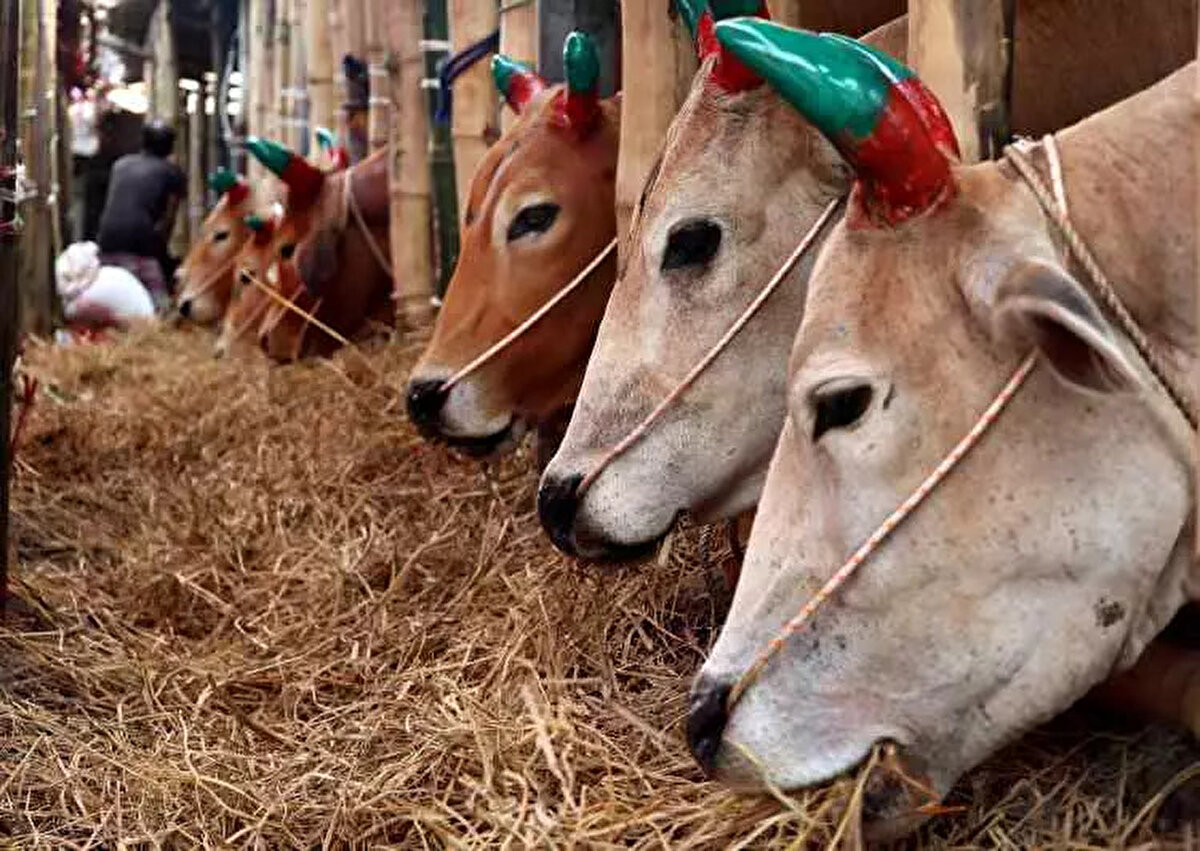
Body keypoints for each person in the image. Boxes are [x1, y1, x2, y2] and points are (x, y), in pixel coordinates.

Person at [95, 119, 185, 310]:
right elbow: (169, 219)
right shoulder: (171, 172)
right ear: (170, 146)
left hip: (106, 240)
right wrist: (160, 253)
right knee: (160, 306)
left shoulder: (120, 165)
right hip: (140, 243)